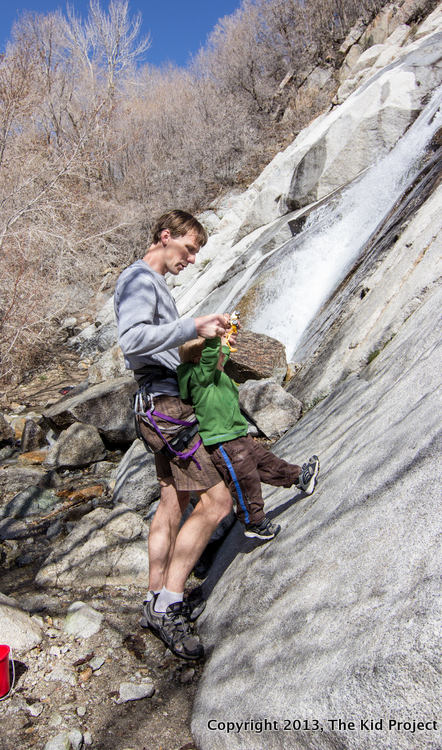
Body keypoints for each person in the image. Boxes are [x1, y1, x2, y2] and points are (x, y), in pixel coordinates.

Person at [114, 210, 234, 661]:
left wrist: (206, 345)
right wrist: (193, 326)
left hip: (159, 404)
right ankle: (169, 604)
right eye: (189, 248)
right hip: (167, 409)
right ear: (166, 237)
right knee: (217, 502)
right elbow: (133, 341)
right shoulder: (141, 279)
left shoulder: (150, 283)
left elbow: (161, 347)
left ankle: (152, 600)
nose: (192, 258)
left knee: (173, 501)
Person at [177, 335, 320, 540]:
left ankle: (299, 477)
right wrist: (212, 335)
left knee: (266, 463)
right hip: (223, 442)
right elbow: (211, 358)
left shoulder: (210, 373)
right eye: (218, 356)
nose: (223, 360)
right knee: (245, 481)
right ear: (201, 362)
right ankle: (254, 522)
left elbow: (217, 357)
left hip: (238, 435)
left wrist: (224, 340)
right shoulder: (199, 379)